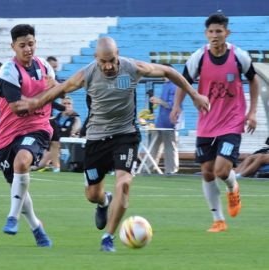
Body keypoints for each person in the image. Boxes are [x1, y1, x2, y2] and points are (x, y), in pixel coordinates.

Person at [17, 36, 209, 252]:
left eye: (112, 60)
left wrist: (194, 95)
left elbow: (169, 71)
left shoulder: (132, 67)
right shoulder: (87, 73)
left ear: (118, 55)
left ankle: (108, 238)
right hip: (97, 139)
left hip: (125, 136)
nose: (108, 66)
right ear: (95, 58)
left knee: (124, 183)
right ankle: (103, 202)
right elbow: (61, 90)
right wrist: (35, 102)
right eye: (103, 62)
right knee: (92, 195)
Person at [170, 13, 258, 233]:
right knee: (208, 172)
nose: (215, 35)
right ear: (206, 34)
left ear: (226, 33)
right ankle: (219, 220)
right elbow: (183, 81)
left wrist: (252, 111)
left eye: (219, 31)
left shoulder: (239, 56)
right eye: (211, 31)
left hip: (232, 120)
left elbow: (253, 80)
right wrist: (176, 106)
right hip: (207, 122)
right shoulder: (198, 57)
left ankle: (233, 186)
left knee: (221, 169)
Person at [0, 24, 56, 247]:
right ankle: (36, 227)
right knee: (17, 185)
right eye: (22, 45)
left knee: (22, 162)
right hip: (7, 135)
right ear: (13, 47)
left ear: (35, 43)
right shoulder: (8, 71)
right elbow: (16, 108)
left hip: (37, 128)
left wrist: (57, 88)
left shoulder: (46, 68)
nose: (27, 49)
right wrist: (46, 95)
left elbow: (56, 90)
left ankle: (12, 217)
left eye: (31, 44)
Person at [148, 64, 183, 175]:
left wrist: (159, 101)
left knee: (169, 148)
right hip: (161, 122)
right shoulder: (166, 84)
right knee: (154, 146)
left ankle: (171, 171)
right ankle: (149, 168)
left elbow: (173, 106)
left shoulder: (175, 86)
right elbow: (165, 104)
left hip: (170, 123)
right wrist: (157, 102)